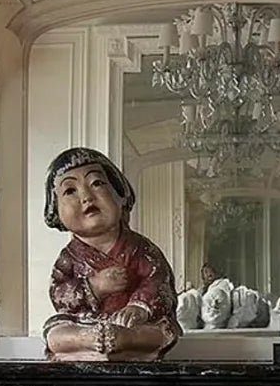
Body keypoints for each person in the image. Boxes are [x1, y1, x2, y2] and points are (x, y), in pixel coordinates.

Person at [42, 146, 181, 361]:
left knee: (161, 331)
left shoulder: (141, 249)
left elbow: (159, 281)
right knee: (55, 333)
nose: (86, 197)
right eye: (70, 191)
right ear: (57, 211)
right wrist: (94, 286)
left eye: (97, 183)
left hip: (131, 324)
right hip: (85, 322)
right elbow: (59, 293)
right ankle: (90, 340)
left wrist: (139, 307)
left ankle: (124, 340)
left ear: (120, 195)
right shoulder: (68, 258)